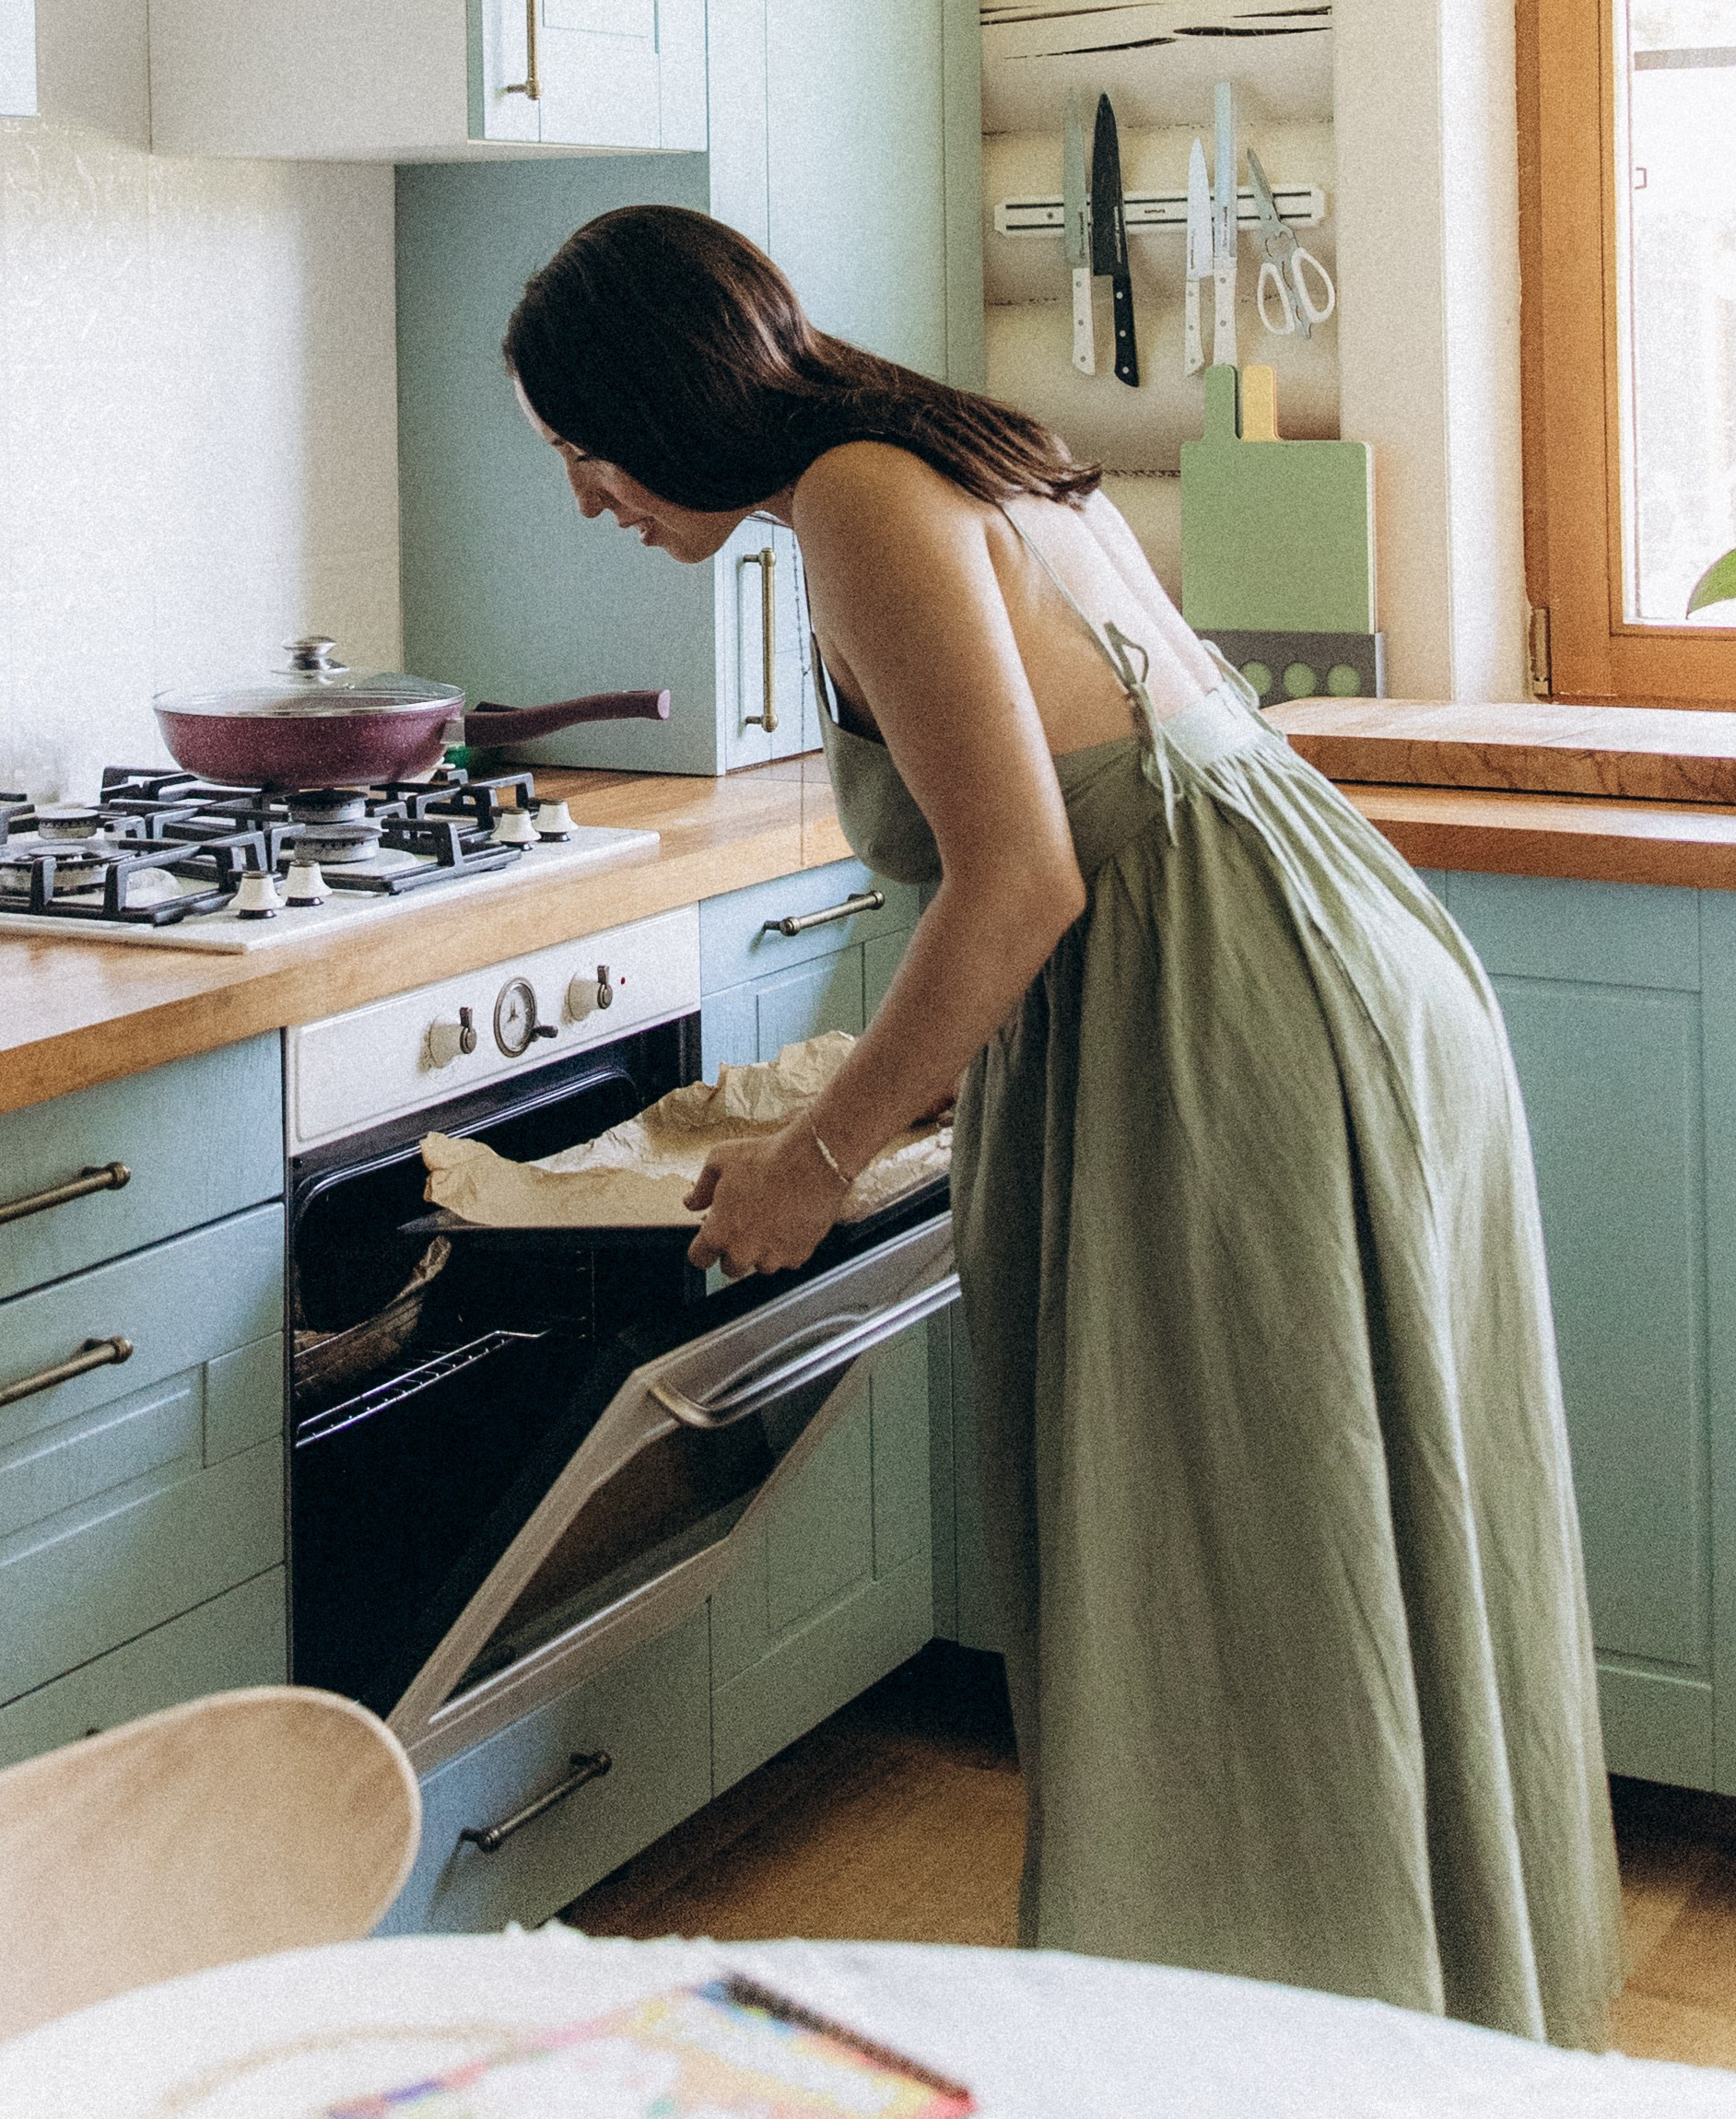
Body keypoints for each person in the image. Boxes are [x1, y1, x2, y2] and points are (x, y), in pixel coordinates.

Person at [503, 201, 1621, 2049]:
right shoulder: (947, 449)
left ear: (657, 408)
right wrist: (891, 1091)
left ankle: (1252, 2056)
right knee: (1335, 1519)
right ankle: (1398, 2036)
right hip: (1306, 960)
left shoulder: (860, 503)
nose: (586, 502)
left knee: (1233, 1562)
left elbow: (1019, 882)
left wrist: (818, 1153)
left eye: (583, 452)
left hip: (1230, 1015)